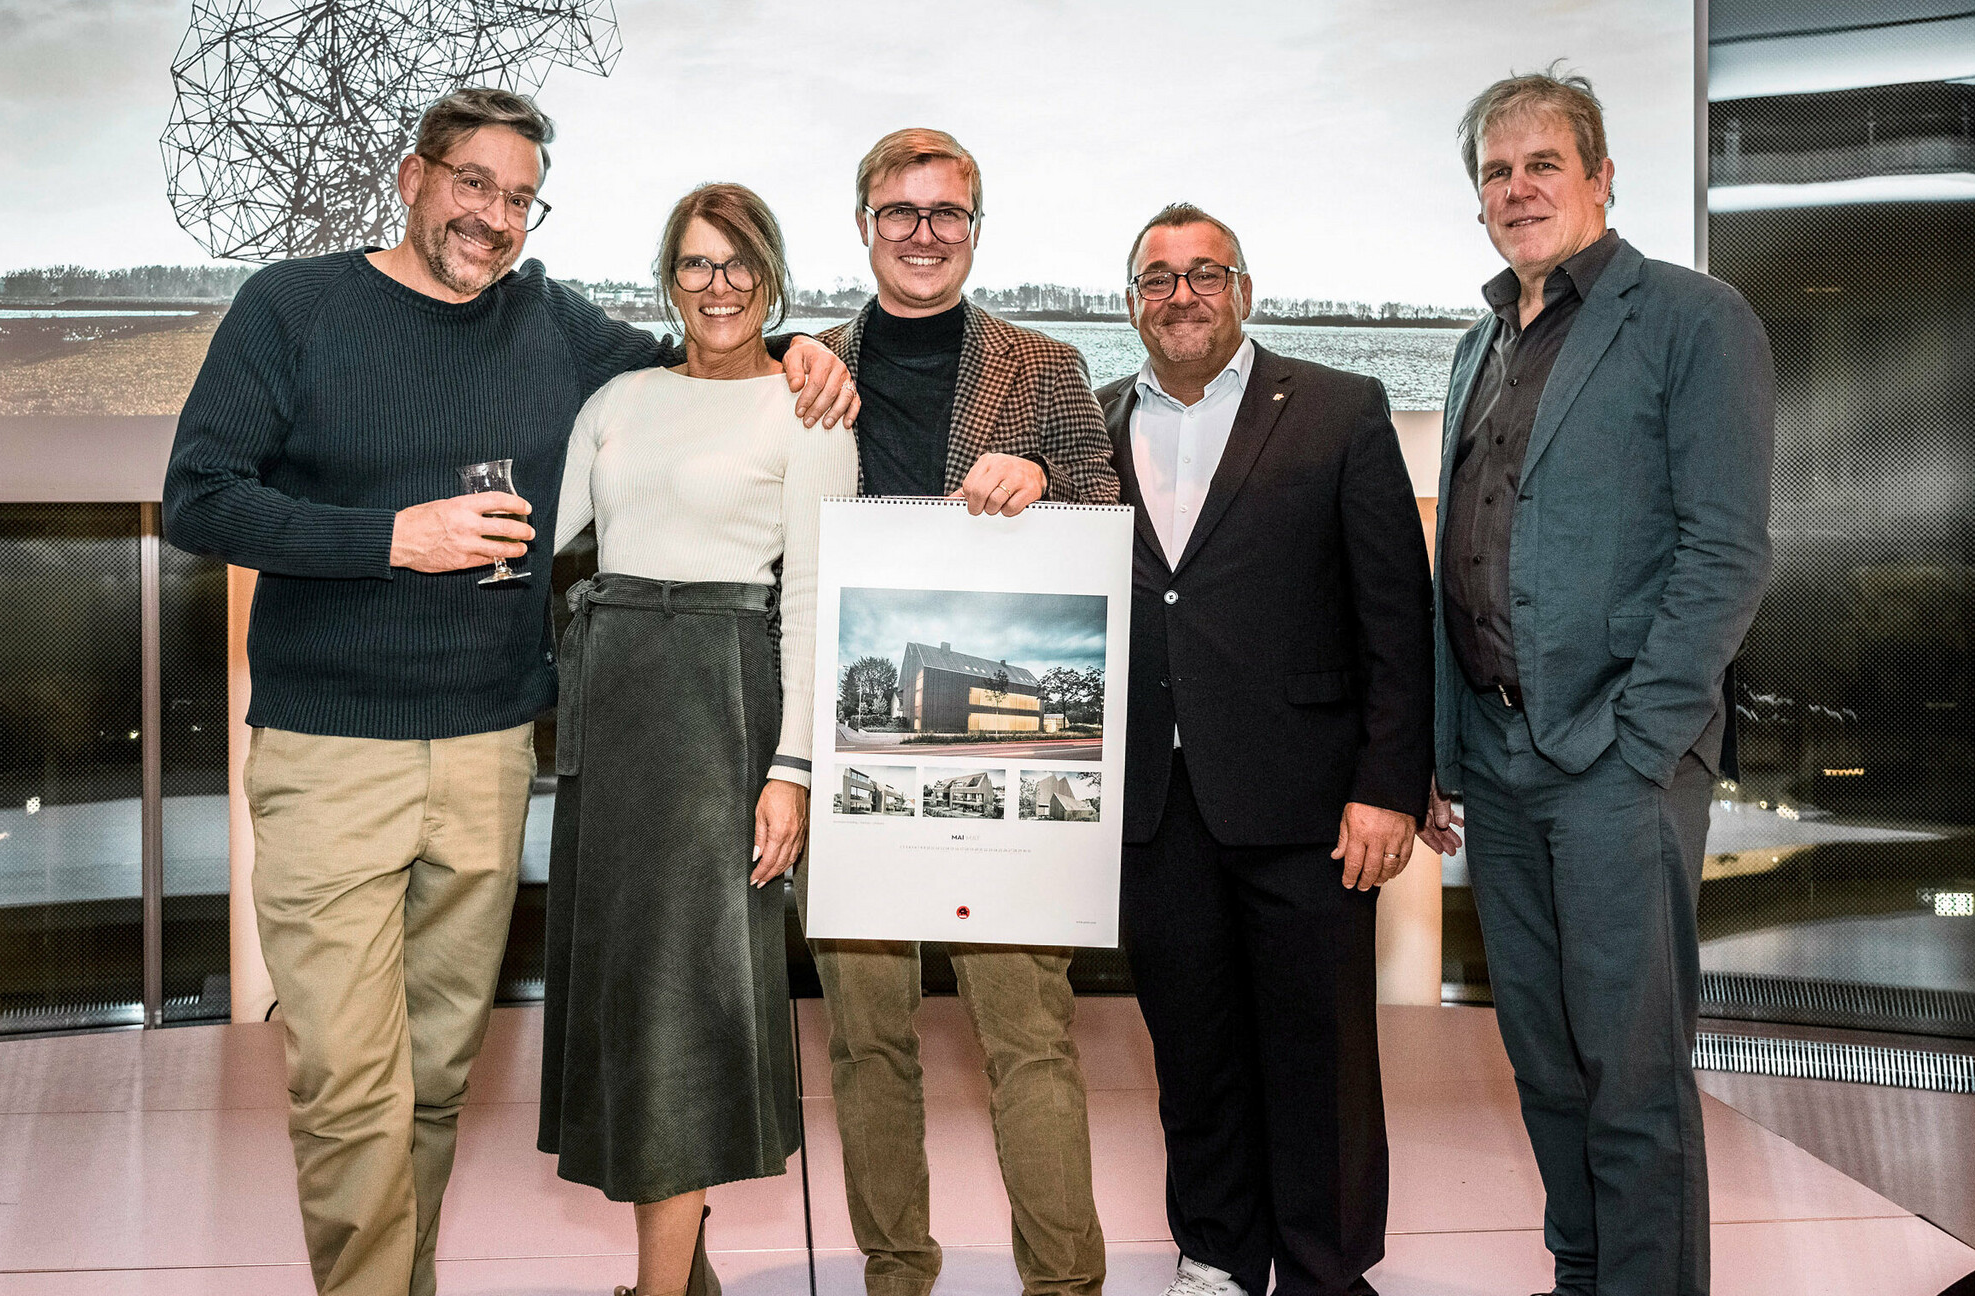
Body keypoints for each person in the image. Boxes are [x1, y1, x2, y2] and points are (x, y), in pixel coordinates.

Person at [162, 88, 856, 1296]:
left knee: (434, 1079)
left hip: (489, 753)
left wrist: (806, 354)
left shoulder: (547, 322)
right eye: (473, 185)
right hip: (331, 750)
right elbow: (199, 500)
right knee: (346, 1082)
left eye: (520, 199)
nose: (494, 218)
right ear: (413, 177)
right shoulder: (292, 307)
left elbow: (690, 371)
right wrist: (391, 537)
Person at [1418, 67, 1773, 1296]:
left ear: (1603, 177)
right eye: (1495, 172)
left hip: (1615, 765)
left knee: (1630, 1077)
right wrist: (1445, 751)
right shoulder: (1478, 345)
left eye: (1541, 165)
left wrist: (1642, 740)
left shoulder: (1690, 318)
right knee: (1548, 1067)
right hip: (1501, 765)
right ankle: (1584, 1278)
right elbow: (1462, 546)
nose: (1517, 190)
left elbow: (1725, 548)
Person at [1095, 203, 1433, 1296]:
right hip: (1154, 800)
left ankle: (1328, 1269)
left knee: (1319, 1053)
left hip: (1307, 797)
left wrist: (1387, 784)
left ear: (1243, 290)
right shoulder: (1093, 429)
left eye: (1204, 274)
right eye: (1157, 278)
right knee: (1191, 1049)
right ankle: (1216, 1252)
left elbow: (1394, 610)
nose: (1180, 294)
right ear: (1130, 300)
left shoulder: (1338, 408)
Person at [806, 127, 1120, 1296]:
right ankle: (896, 1275)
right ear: (863, 224)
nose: (923, 233)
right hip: (850, 761)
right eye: (900, 211)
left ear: (977, 230)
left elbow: (1107, 513)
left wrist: (1044, 485)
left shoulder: (1042, 367)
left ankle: (1064, 1284)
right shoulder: (807, 368)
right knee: (866, 1045)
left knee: (1029, 1040)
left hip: (1009, 788)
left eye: (947, 213)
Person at [537, 182, 858, 1296]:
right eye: (693, 264)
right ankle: (684, 1271)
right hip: (612, 700)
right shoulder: (619, 397)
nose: (716, 286)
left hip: (721, 709)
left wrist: (794, 769)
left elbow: (815, 598)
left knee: (677, 993)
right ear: (665, 279)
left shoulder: (805, 407)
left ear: (772, 273)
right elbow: (536, 535)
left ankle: (659, 1290)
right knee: (629, 985)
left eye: (737, 263)